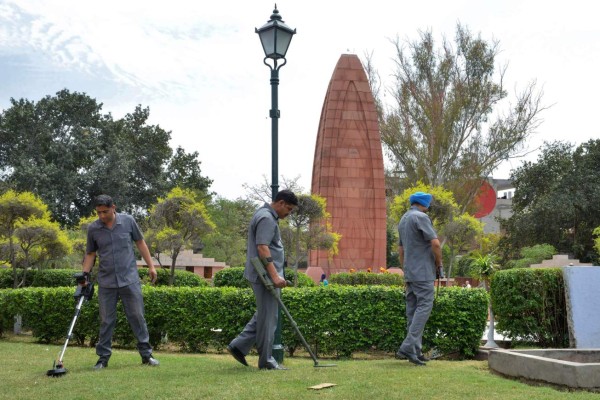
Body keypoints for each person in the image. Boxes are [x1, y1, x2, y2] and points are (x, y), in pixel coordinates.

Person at [81, 194, 159, 369]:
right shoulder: (93, 229)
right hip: (106, 282)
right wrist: (84, 276)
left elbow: (140, 243)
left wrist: (151, 267)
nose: (102, 216)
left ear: (113, 207)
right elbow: (90, 254)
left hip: (129, 279)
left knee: (137, 317)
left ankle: (147, 355)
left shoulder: (128, 221)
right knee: (106, 320)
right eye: (99, 212)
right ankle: (103, 359)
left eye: (105, 211)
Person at [227, 189, 298, 370]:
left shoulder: (264, 214)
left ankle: (239, 346)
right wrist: (274, 276)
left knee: (265, 314)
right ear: (280, 203)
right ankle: (266, 361)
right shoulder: (266, 218)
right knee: (269, 318)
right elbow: (263, 248)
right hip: (265, 276)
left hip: (263, 275)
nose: (288, 213)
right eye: (288, 209)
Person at [396, 191, 443, 366]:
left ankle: (415, 351)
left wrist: (405, 268)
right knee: (424, 307)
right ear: (425, 204)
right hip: (423, 272)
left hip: (410, 272)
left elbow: (401, 250)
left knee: (413, 311)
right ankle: (408, 346)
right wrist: (439, 264)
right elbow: (436, 243)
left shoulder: (403, 219)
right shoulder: (421, 217)